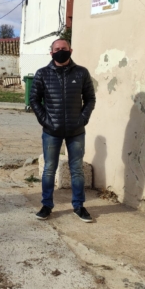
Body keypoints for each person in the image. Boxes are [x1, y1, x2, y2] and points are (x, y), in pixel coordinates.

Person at [29, 38, 96, 222]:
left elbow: (90, 98)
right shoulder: (42, 74)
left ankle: (79, 206)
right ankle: (46, 205)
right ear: (51, 53)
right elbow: (34, 99)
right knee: (49, 169)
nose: (60, 51)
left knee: (77, 170)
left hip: (76, 131)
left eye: (64, 48)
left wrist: (82, 119)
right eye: (57, 49)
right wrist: (45, 121)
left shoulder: (82, 73)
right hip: (51, 131)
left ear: (71, 50)